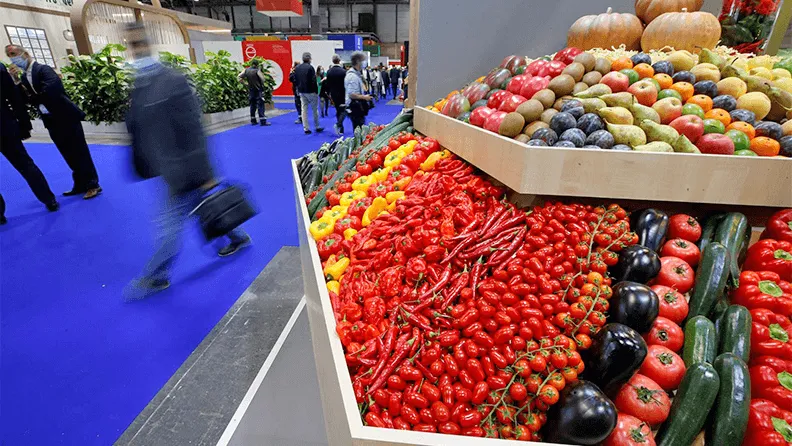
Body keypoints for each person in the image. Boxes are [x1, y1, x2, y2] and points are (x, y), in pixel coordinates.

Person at [123, 22, 251, 301]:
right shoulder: (140, 83)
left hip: (185, 170)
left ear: (147, 45)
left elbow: (194, 128)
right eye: (131, 45)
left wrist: (205, 172)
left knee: (170, 226)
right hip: (168, 169)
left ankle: (156, 276)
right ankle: (237, 236)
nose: (136, 50)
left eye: (138, 44)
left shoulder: (172, 80)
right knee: (203, 210)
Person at [6, 44, 102, 199]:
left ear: (25, 54)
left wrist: (33, 97)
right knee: (67, 154)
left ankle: (93, 184)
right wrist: (17, 82)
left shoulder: (44, 70)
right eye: (9, 55)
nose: (12, 58)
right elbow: (26, 100)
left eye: (13, 53)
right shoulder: (24, 77)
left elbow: (52, 91)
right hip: (51, 121)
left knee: (80, 152)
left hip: (66, 117)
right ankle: (80, 184)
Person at [0, 63, 58, 216]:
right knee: (25, 164)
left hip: (5, 127)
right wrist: (24, 124)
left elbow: (13, 96)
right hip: (5, 126)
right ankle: (49, 199)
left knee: (25, 164)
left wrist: (24, 123)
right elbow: (13, 97)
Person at [294, 52, 323, 134]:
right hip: (311, 91)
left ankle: (306, 128)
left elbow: (295, 79)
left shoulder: (297, 67)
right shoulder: (310, 68)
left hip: (301, 91)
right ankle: (317, 126)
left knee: (304, 109)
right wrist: (316, 91)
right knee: (314, 109)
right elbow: (313, 81)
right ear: (310, 59)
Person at [238, 59, 271, 126]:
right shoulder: (257, 70)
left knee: (252, 105)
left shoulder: (246, 70)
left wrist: (245, 83)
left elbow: (239, 77)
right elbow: (262, 80)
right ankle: (263, 121)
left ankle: (253, 120)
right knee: (260, 105)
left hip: (251, 90)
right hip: (258, 90)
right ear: (257, 64)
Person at [344, 51, 371, 132]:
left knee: (360, 128)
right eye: (363, 60)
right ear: (358, 61)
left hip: (357, 107)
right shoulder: (352, 76)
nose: (365, 62)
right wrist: (364, 97)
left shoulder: (357, 74)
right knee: (358, 130)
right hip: (355, 107)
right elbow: (352, 94)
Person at [325, 55, 347, 135]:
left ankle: (341, 128)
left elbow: (327, 84)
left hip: (333, 94)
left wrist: (328, 93)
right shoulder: (343, 71)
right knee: (344, 110)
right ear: (339, 60)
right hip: (343, 93)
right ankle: (339, 124)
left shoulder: (329, 71)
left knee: (338, 110)